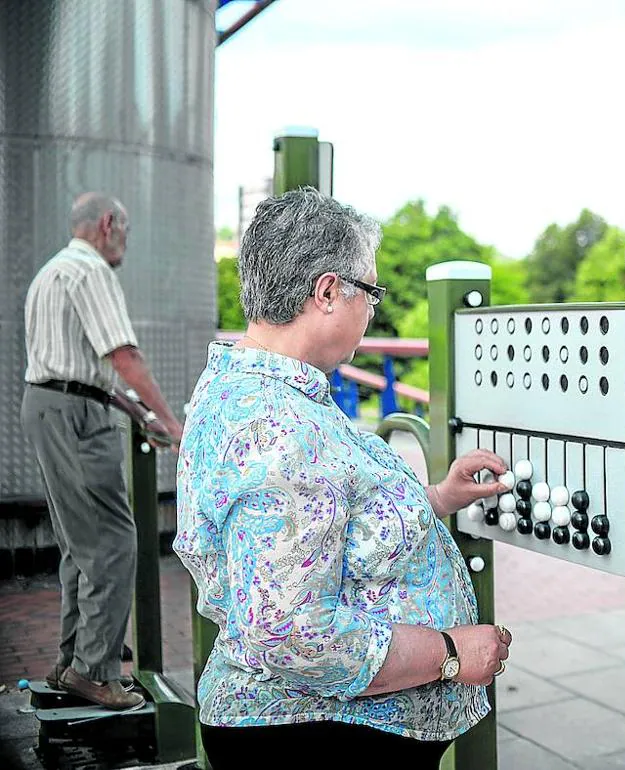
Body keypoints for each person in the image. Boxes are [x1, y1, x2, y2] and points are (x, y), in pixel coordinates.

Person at [174, 188, 513, 768]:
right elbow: (289, 631)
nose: (372, 310)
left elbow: (325, 521)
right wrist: (451, 652)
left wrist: (436, 497)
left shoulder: (260, 391)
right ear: (329, 292)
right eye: (371, 292)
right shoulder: (280, 426)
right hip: (318, 734)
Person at [21, 193, 184, 710]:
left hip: (50, 406)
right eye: (127, 231)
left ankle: (74, 660)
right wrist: (173, 424)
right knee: (113, 543)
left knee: (80, 545)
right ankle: (93, 671)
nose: (126, 243)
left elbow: (85, 366)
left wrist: (139, 414)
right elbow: (123, 355)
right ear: (108, 224)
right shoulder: (91, 272)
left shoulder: (51, 273)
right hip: (75, 417)